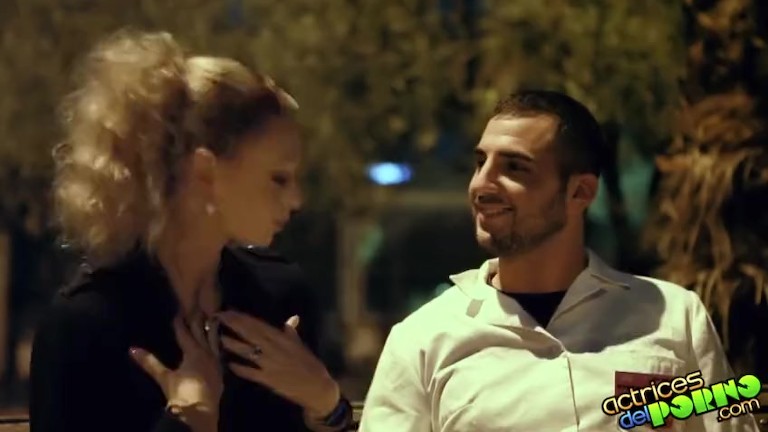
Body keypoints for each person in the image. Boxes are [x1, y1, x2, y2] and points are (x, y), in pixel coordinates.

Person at [358, 90, 760, 431]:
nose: (482, 184)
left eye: (514, 167)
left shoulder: (677, 317)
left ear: (580, 192)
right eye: (481, 162)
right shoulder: (422, 339)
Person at [29, 30, 353, 432]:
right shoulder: (86, 325)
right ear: (205, 172)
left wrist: (326, 403)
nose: (297, 199)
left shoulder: (282, 303)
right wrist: (186, 422)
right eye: (278, 178)